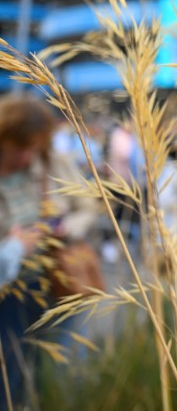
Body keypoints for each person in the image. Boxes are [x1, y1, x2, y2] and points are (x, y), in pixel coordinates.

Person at [0, 96, 98, 403]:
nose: (26, 156)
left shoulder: (54, 163)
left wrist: (64, 228)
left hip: (56, 279)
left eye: (33, 147)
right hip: (8, 289)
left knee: (57, 368)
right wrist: (14, 246)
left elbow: (89, 207)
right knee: (10, 370)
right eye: (19, 147)